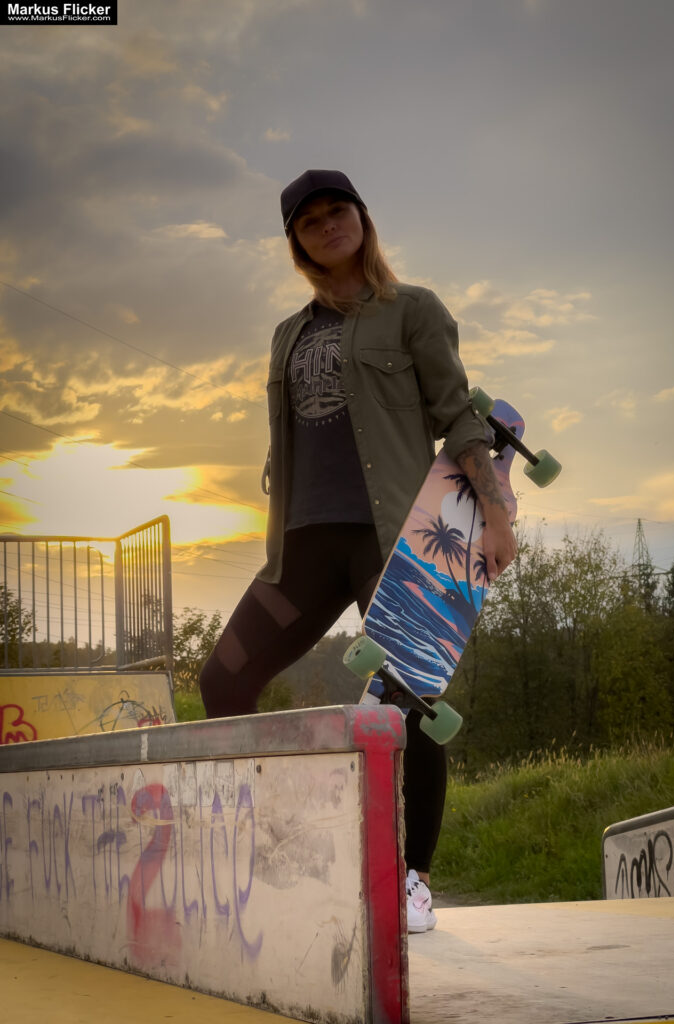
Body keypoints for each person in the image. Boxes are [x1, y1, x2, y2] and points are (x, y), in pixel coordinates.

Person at [199, 169, 517, 933]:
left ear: (361, 219)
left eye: (336, 211)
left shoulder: (413, 311)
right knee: (222, 682)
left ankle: (413, 880)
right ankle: (276, 848)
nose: (326, 226)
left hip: (391, 540)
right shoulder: (288, 333)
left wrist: (498, 515)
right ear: (296, 243)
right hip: (301, 545)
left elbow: (459, 417)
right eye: (308, 222)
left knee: (413, 697)